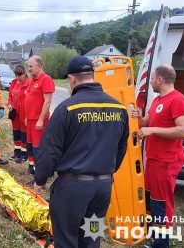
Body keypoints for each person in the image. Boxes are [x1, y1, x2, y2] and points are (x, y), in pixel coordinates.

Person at [34, 56, 129, 248]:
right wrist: (106, 174)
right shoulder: (118, 108)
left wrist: (40, 180)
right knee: (92, 237)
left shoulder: (67, 109)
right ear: (92, 76)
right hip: (102, 190)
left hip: (72, 190)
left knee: (67, 238)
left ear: (72, 79)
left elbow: (49, 150)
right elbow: (121, 148)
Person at [131, 65, 184, 248]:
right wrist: (138, 118)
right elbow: (146, 123)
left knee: (161, 203)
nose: (150, 82)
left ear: (160, 80)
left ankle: (162, 243)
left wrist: (153, 130)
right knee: (151, 200)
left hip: (167, 161)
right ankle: (153, 234)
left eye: (152, 79)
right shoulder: (158, 100)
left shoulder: (178, 100)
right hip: (153, 160)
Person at [25, 55, 55, 175]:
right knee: (31, 146)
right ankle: (32, 168)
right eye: (28, 66)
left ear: (39, 66)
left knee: (39, 148)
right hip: (30, 120)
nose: (29, 69)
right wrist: (27, 117)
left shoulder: (46, 79)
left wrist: (41, 120)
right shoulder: (32, 79)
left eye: (31, 66)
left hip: (39, 121)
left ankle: (40, 173)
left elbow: (47, 101)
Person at [7, 64, 29, 163]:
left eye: (19, 75)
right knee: (16, 133)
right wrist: (9, 104)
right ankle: (17, 152)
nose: (17, 77)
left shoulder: (29, 84)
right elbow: (10, 97)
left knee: (24, 134)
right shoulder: (13, 83)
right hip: (14, 113)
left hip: (25, 113)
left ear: (24, 74)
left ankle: (25, 154)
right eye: (16, 75)